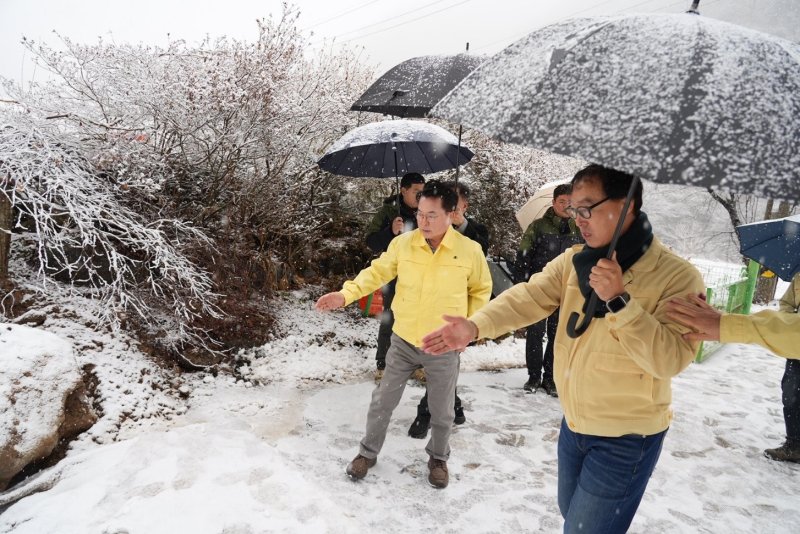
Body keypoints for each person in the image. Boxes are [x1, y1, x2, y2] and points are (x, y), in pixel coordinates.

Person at [421, 164, 704, 531]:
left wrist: (620, 300)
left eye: (586, 208)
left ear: (626, 205)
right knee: (572, 514)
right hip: (574, 425)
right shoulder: (576, 261)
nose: (578, 219)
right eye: (573, 209)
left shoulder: (678, 277)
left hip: (627, 437)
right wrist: (477, 325)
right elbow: (530, 296)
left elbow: (672, 359)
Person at [315, 180, 492, 489]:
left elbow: (481, 291)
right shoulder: (404, 244)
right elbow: (376, 273)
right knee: (383, 401)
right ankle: (367, 453)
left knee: (442, 408)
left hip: (443, 344)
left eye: (432, 215)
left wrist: (468, 331)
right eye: (420, 213)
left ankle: (438, 458)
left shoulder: (469, 251)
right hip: (404, 339)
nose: (423, 221)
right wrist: (346, 295)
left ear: (451, 214)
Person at [667, 274, 800, 463]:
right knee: (792, 394)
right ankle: (795, 444)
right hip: (793, 347)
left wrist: (726, 325)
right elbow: (787, 304)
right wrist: (790, 322)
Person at [407, 181, 490, 439]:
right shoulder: (428, 230)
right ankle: (451, 406)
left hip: (459, 309)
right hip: (431, 303)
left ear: (464, 206)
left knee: (445, 362)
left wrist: (459, 227)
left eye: (459, 205)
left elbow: (480, 257)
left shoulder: (475, 231)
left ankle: (428, 412)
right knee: (443, 363)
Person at [516, 183, 582, 396]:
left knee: (557, 335)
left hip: (566, 291)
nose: (566, 206)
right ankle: (533, 377)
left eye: (570, 203)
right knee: (535, 332)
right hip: (540, 287)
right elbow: (523, 256)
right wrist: (523, 285)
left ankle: (550, 378)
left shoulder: (579, 228)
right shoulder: (538, 227)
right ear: (553, 203)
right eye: (562, 202)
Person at [364, 172, 425, 381]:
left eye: (423, 192)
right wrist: (390, 230)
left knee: (419, 317)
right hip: (395, 274)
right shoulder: (389, 212)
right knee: (391, 316)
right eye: (416, 192)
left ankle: (417, 364)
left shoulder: (426, 213)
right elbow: (371, 242)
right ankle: (383, 364)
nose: (420, 196)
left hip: (422, 274)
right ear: (403, 190)